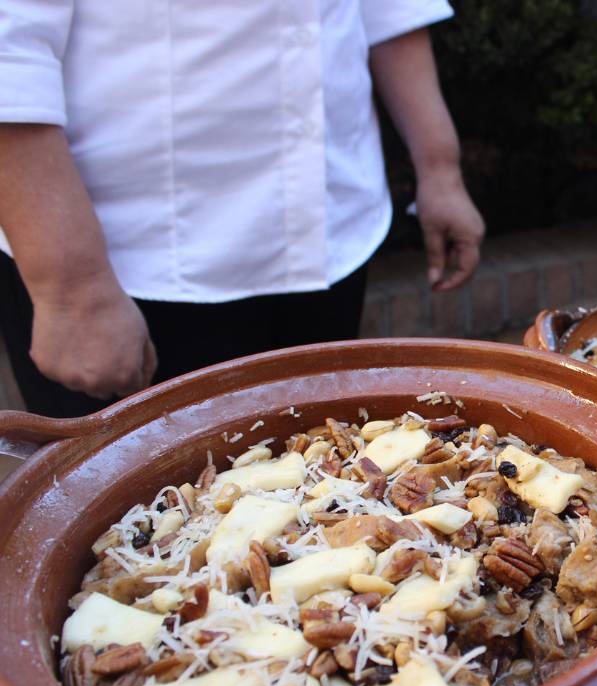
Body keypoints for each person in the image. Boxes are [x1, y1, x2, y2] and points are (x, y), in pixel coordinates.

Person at [0, 1, 484, 418]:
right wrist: (72, 289)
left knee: (320, 485)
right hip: (130, 271)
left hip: (329, 233)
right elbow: (9, 49)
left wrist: (441, 169)